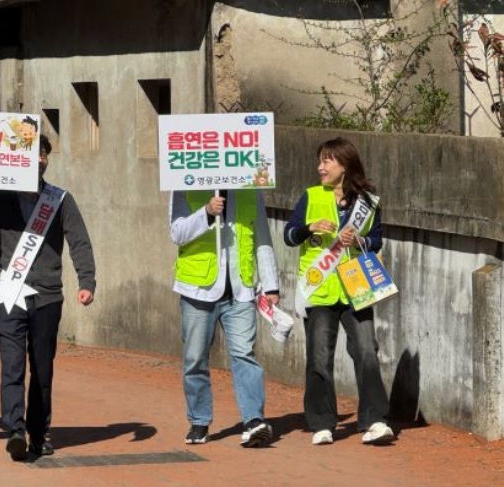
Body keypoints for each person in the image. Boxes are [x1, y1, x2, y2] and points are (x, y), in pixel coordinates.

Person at [0, 135, 96, 461]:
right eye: (33, 153)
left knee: (42, 369)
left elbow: (79, 241)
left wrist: (87, 281)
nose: (39, 159)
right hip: (9, 294)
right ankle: (15, 429)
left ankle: (39, 434)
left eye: (43, 154)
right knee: (12, 365)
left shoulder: (60, 200)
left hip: (47, 296)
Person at [283, 137, 394, 446]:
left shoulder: (368, 202)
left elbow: (377, 239)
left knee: (367, 352)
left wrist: (359, 241)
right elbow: (289, 236)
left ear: (345, 165)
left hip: (356, 287)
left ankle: (374, 420)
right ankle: (322, 423)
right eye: (319, 160)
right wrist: (309, 228)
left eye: (327, 161)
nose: (320, 167)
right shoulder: (310, 196)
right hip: (319, 289)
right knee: (319, 357)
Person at [169, 188, 280, 447]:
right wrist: (207, 212)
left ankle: (253, 420)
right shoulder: (183, 184)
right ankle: (199, 421)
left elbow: (262, 236)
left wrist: (271, 284)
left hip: (240, 290)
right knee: (195, 359)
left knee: (245, 354)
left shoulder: (250, 189)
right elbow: (177, 233)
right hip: (198, 289)